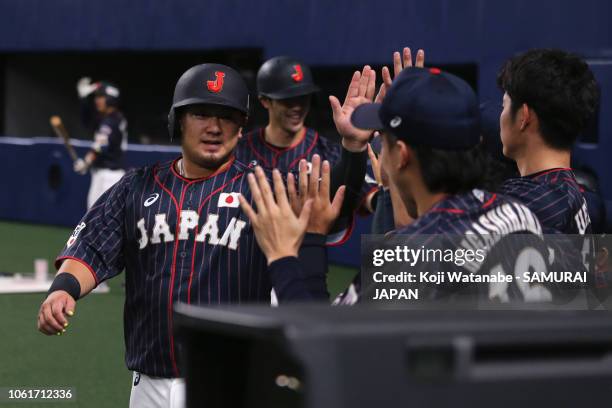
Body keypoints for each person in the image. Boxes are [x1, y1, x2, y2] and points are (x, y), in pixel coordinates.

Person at [37, 62, 371, 407]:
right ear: (178, 120)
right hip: (147, 383)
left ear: (241, 126)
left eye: (226, 116)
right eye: (201, 114)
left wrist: (353, 149)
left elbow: (329, 209)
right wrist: (64, 290)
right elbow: (92, 245)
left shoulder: (264, 189)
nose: (214, 127)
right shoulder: (136, 187)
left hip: (228, 380)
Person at [338, 67, 560, 305]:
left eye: (384, 142)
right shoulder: (521, 214)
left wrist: (300, 247)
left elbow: (316, 334)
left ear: (401, 155)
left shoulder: (406, 260)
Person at [234, 56, 378, 219]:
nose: (297, 107)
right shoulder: (238, 150)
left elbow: (369, 197)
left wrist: (389, 195)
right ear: (265, 101)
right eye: (288, 100)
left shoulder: (330, 153)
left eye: (303, 98)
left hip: (308, 242)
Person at [496, 49, 600, 235]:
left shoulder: (525, 205)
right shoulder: (574, 193)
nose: (500, 115)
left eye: (503, 105)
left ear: (523, 116)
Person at [74, 79, 128, 209]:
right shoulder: (110, 118)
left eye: (101, 97)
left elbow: (100, 147)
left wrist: (86, 162)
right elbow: (86, 121)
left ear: (110, 99)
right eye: (96, 97)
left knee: (101, 221)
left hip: (109, 177)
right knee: (94, 220)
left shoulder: (111, 121)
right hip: (104, 175)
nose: (97, 100)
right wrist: (84, 100)